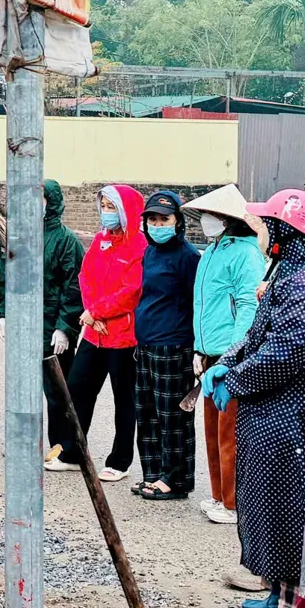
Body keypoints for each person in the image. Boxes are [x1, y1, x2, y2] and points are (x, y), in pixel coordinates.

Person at [205, 188, 305, 608]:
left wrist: (236, 381)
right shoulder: (288, 274)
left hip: (292, 414)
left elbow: (282, 354)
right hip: (268, 413)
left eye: (269, 226)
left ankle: (297, 607)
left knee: (286, 509)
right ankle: (275, 589)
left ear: (288, 232)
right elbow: (257, 334)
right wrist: (226, 362)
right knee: (263, 503)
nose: (263, 233)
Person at [184, 185, 267, 524]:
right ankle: (218, 495)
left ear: (229, 220)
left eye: (213, 216)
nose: (207, 221)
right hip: (207, 351)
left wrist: (234, 352)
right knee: (212, 429)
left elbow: (248, 305)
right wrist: (197, 349)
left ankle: (233, 502)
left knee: (229, 431)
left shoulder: (245, 254)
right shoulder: (213, 251)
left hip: (229, 354)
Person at [0, 180, 87, 470]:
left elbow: (74, 287)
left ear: (52, 202)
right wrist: (5, 312)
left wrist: (65, 326)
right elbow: (10, 275)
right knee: (23, 388)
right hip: (24, 325)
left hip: (51, 327)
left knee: (57, 392)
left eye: (41, 198)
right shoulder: (20, 236)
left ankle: (61, 447)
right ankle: (24, 441)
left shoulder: (66, 241)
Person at [65, 184, 145, 480]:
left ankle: (119, 461)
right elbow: (85, 276)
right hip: (94, 332)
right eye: (105, 207)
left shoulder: (139, 246)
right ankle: (73, 450)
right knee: (77, 389)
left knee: (124, 399)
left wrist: (97, 312)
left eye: (113, 208)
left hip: (123, 337)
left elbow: (131, 291)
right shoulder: (100, 240)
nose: (107, 213)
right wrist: (91, 313)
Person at [131, 190, 202, 500]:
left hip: (173, 346)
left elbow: (195, 302)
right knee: (146, 413)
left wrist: (197, 348)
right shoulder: (150, 253)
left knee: (172, 415)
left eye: (164, 219)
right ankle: (153, 473)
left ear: (178, 222)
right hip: (146, 344)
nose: (158, 225)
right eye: (153, 220)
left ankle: (175, 479)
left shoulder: (188, 256)